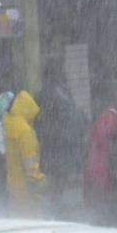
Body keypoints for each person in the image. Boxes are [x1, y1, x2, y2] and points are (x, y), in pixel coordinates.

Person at [36, 58, 86, 217]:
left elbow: (39, 120)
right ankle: (56, 208)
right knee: (59, 179)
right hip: (61, 144)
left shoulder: (43, 95)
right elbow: (72, 117)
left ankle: (54, 207)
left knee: (55, 179)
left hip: (51, 143)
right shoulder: (63, 94)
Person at [3, 90, 47, 217]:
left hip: (10, 190)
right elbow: (30, 165)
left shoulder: (6, 123)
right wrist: (42, 181)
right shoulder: (25, 131)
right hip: (26, 194)